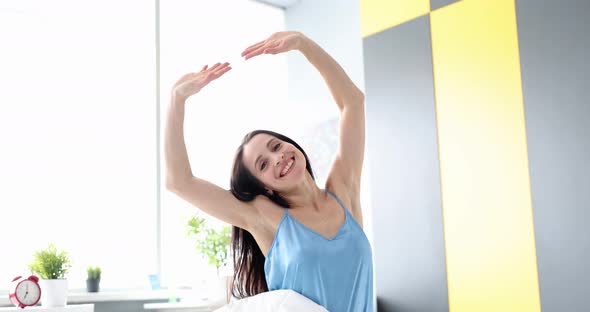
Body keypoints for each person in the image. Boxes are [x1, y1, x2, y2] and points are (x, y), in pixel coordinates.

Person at [165, 31, 373, 312]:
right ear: (264, 187)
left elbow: (353, 104)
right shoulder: (263, 216)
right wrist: (177, 100)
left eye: (276, 146)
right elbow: (180, 182)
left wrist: (303, 44)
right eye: (263, 164)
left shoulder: (343, 192)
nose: (278, 158)